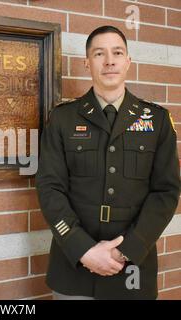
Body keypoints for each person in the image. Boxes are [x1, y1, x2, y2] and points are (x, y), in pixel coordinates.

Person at [35, 25, 180, 300]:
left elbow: (166, 192)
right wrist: (84, 250)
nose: (109, 60)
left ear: (128, 61)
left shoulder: (157, 121)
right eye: (99, 53)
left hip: (133, 270)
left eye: (117, 52)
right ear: (87, 62)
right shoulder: (63, 119)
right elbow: (49, 187)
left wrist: (126, 250)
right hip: (73, 267)